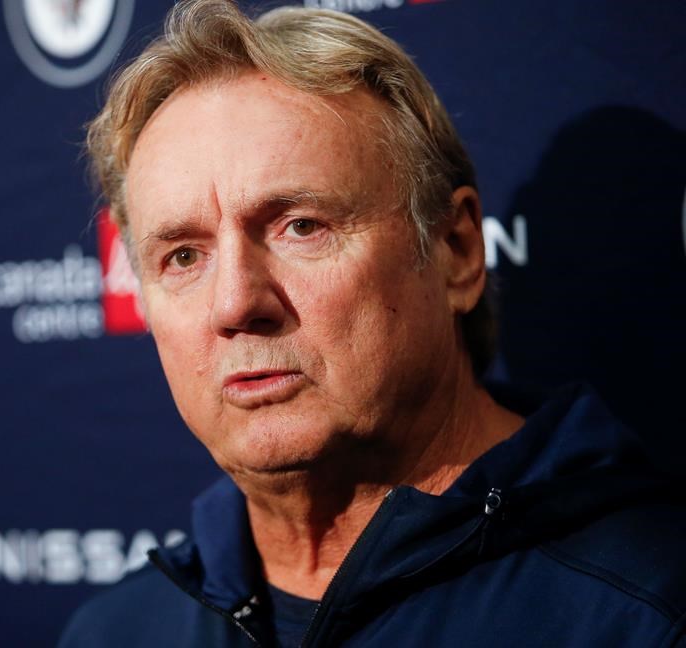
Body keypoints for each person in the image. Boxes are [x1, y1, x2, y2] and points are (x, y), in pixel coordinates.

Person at [60, 1, 686, 645]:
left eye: (301, 226)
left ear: (456, 253)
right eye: (183, 256)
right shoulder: (113, 633)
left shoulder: (648, 613)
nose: (235, 304)